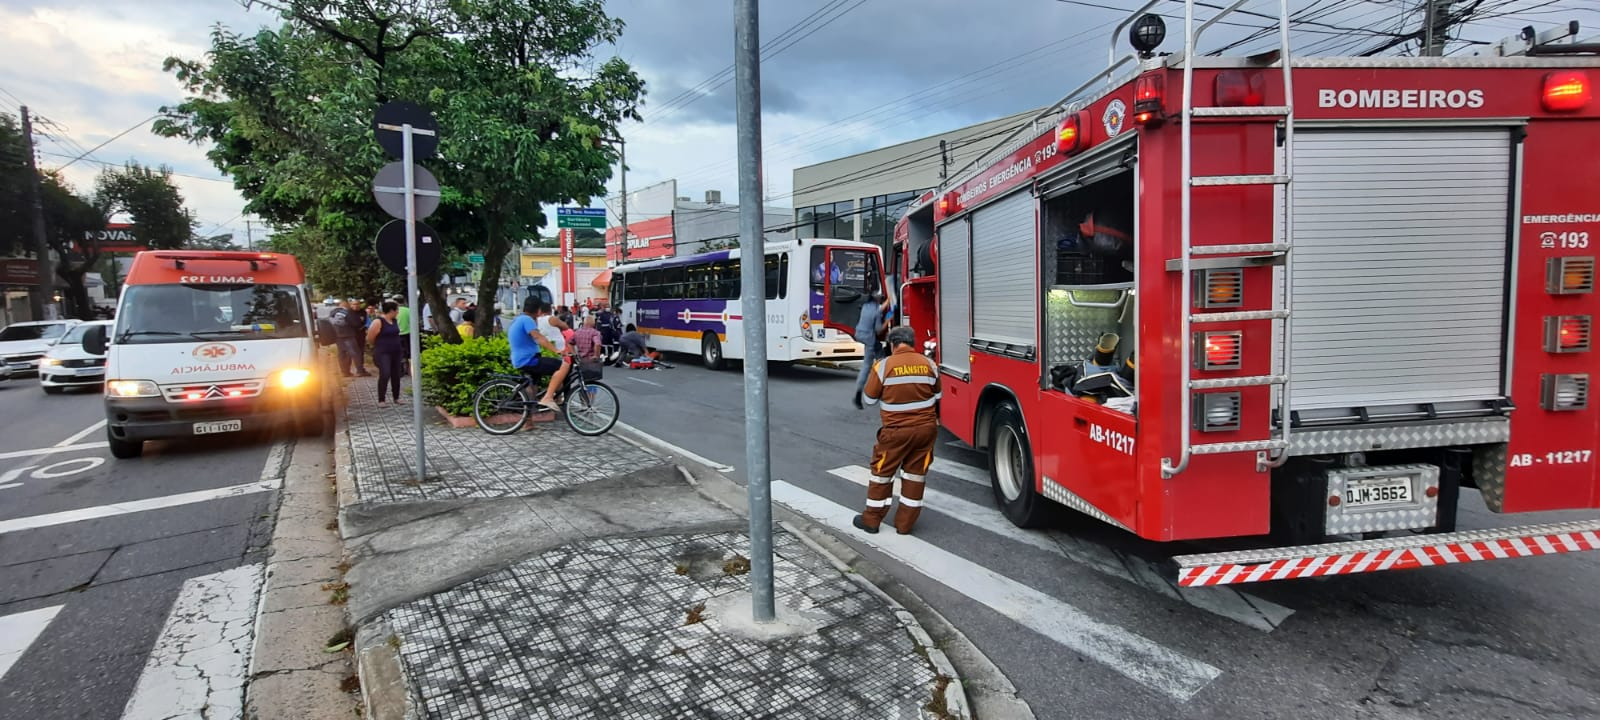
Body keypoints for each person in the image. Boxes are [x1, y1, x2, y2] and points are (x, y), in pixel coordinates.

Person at [853, 325, 941, 536]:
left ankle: (871, 520)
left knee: (882, 474)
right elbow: (937, 396)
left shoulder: (884, 366)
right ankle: (905, 525)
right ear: (912, 343)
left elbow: (869, 399)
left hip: (896, 432)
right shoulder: (929, 364)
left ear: (892, 345)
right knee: (915, 475)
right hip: (926, 431)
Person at [507, 298, 572, 413]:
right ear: (538, 310)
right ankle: (548, 397)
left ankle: (528, 421)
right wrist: (556, 350)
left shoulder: (519, 319)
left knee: (532, 388)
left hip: (522, 359)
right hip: (528, 360)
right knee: (564, 365)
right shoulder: (527, 320)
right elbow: (538, 337)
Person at [852, 291, 893, 409]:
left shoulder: (866, 306)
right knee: (867, 366)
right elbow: (879, 330)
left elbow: (879, 309)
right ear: (878, 299)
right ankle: (858, 394)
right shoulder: (876, 312)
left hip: (860, 334)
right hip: (869, 338)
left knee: (880, 353)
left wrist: (889, 301)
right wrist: (888, 319)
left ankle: (883, 369)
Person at [367, 301, 404, 406]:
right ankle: (381, 399)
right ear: (391, 310)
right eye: (397, 310)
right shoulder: (378, 321)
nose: (398, 312)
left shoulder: (394, 321)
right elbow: (370, 337)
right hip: (383, 352)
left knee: (396, 375)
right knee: (385, 373)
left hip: (396, 351)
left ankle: (396, 397)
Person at [330, 299, 361, 377]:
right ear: (346, 305)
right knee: (355, 353)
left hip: (338, 335)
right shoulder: (347, 312)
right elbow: (355, 323)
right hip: (348, 334)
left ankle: (345, 372)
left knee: (342, 354)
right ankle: (360, 370)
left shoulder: (333, 313)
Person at [394, 295, 412, 375]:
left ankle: (400, 370)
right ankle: (410, 370)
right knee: (409, 353)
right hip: (408, 334)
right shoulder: (409, 310)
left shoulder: (394, 311)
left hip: (397, 334)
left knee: (398, 353)